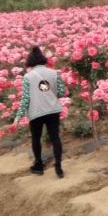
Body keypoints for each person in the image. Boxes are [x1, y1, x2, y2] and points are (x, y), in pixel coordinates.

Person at [15, 46, 66, 178]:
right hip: (52, 110)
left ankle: (38, 165)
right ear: (43, 60)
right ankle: (59, 167)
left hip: (36, 112)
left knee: (36, 138)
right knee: (55, 138)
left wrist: (18, 117)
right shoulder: (55, 73)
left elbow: (25, 98)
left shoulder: (27, 77)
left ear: (30, 62)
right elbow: (61, 93)